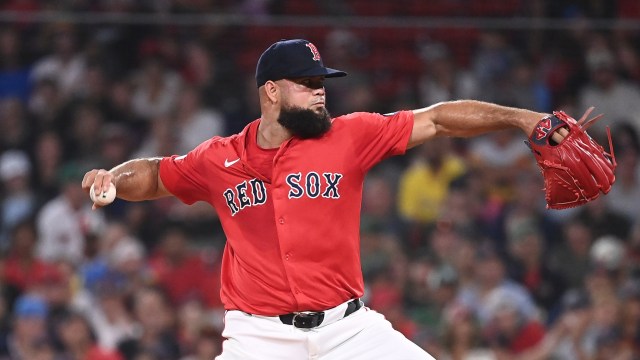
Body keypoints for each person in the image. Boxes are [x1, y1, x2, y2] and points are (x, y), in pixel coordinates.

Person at [83, 39, 569, 359]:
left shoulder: (349, 136)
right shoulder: (219, 159)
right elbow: (155, 175)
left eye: (322, 84)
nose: (321, 94)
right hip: (259, 338)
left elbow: (438, 118)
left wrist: (522, 119)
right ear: (271, 91)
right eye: (309, 84)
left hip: (349, 330)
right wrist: (114, 178)